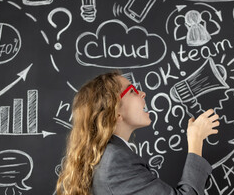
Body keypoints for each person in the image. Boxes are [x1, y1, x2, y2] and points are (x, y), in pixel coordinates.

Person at [56, 71, 219, 195]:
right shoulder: (115, 161)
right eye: (132, 91)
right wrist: (196, 140)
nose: (143, 93)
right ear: (116, 112)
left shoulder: (106, 155)